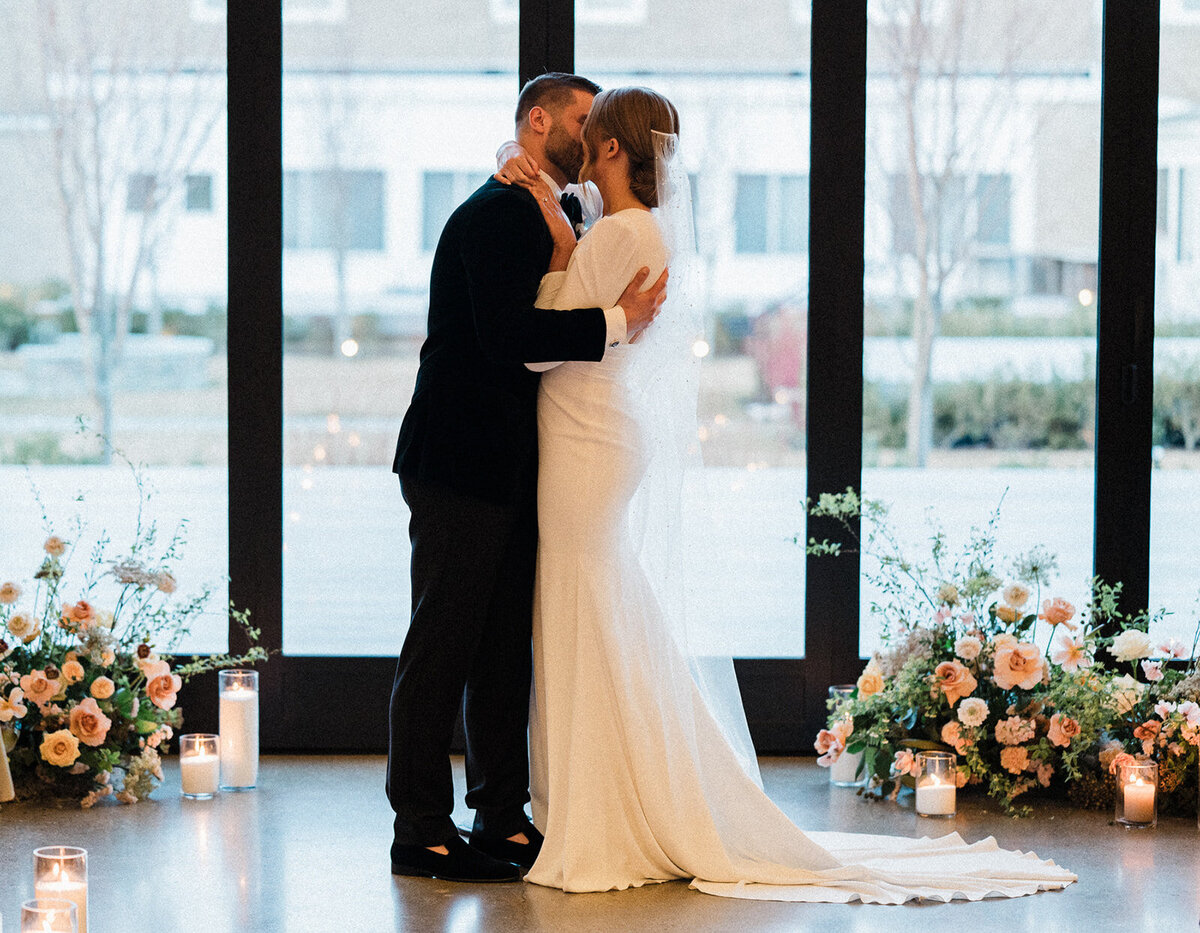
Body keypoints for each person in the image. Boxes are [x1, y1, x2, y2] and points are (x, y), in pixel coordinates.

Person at [505, 85, 1077, 902]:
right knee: (600, 607)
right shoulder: (649, 229)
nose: (585, 154)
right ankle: (624, 788)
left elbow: (541, 339)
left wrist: (560, 239)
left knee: (578, 609)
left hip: (582, 445)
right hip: (602, 440)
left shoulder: (614, 234)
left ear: (609, 150)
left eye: (593, 141)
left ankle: (602, 808)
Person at [387, 72, 669, 884]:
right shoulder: (495, 211)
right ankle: (420, 829)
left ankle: (503, 815)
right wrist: (619, 322)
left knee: (505, 648)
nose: (592, 135)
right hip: (459, 461)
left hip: (523, 466)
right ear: (537, 121)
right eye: (581, 119)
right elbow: (510, 333)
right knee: (442, 644)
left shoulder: (563, 209)